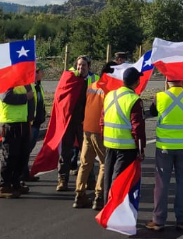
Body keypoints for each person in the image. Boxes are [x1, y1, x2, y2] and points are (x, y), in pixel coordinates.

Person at [147, 77, 183, 232]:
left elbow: (152, 112)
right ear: (182, 81)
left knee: (162, 184)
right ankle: (182, 219)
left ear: (167, 81)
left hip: (164, 147)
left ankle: (158, 220)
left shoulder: (160, 96)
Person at [102, 67, 146, 207]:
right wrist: (140, 149)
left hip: (109, 144)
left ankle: (107, 206)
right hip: (126, 147)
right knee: (120, 180)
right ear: (136, 82)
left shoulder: (110, 95)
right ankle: (114, 209)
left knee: (108, 178)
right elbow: (137, 128)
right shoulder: (134, 100)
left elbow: (102, 121)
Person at [74, 57, 111, 209]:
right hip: (99, 130)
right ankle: (99, 197)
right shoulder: (109, 89)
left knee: (85, 163)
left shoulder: (93, 85)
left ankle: (79, 195)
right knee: (104, 163)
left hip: (87, 129)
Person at [57, 56, 94, 192]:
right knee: (66, 152)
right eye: (79, 65)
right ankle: (63, 180)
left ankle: (90, 180)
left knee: (87, 153)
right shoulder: (70, 79)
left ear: (88, 67)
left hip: (85, 122)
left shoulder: (92, 80)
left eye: (83, 65)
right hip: (69, 122)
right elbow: (60, 97)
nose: (80, 68)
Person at [0, 82, 32, 199]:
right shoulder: (7, 79)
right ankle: (3, 186)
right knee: (9, 155)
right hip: (10, 123)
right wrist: (25, 97)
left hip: (22, 121)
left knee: (21, 155)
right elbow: (6, 97)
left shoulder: (23, 81)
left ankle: (15, 183)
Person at [24, 63, 47, 182]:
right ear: (36, 73)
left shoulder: (38, 85)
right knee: (26, 149)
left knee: (29, 148)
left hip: (37, 122)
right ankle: (23, 173)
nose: (43, 73)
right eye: (41, 71)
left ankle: (24, 172)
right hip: (31, 123)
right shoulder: (31, 86)